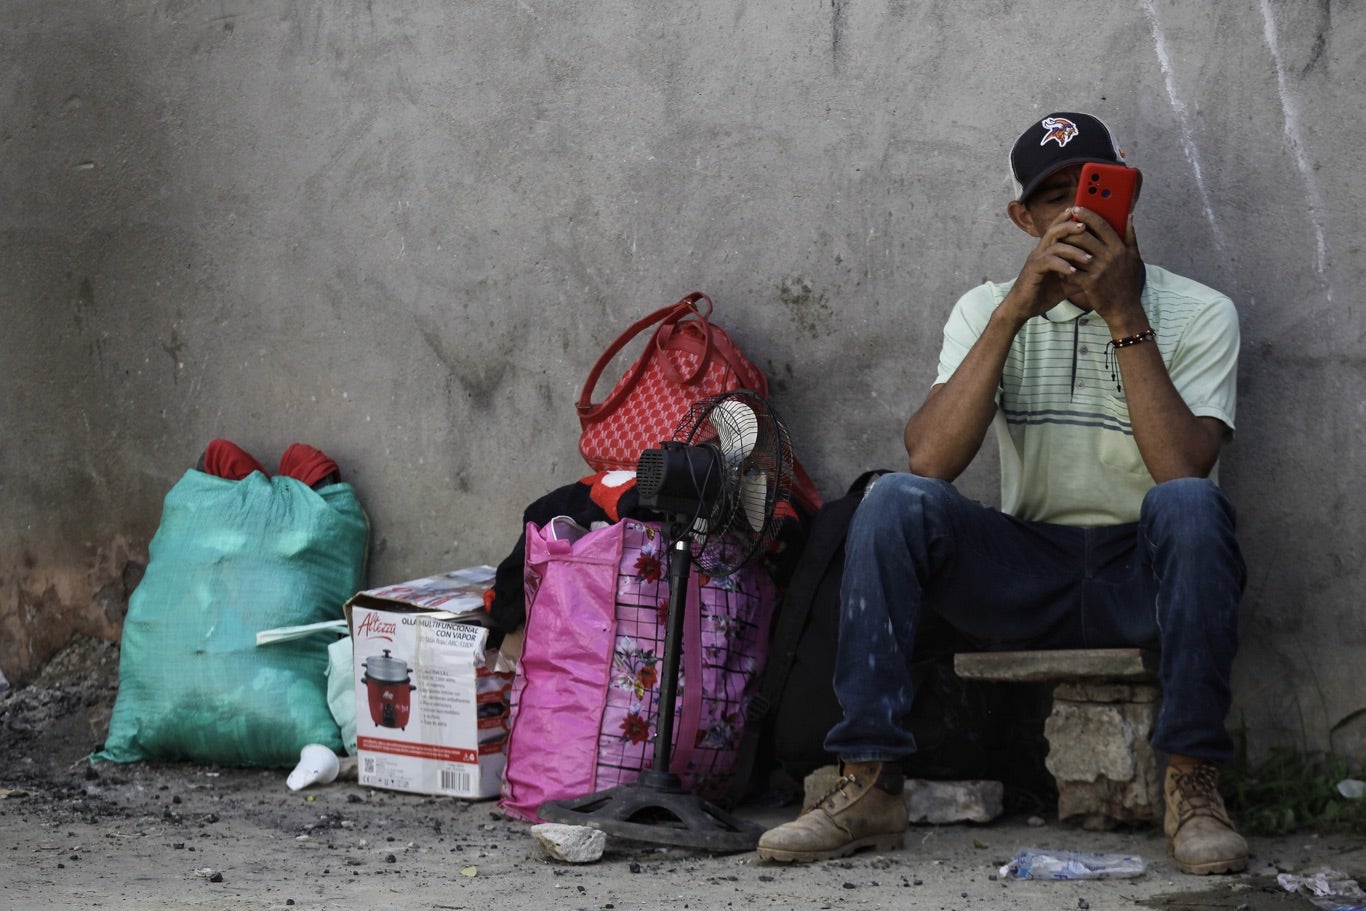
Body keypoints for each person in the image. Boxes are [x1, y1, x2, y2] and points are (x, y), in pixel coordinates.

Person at [756, 112, 1247, 875]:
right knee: (893, 497)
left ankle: (1192, 783)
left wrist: (1123, 310)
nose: (1077, 213)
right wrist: (1014, 311)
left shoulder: (1203, 311)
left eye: (1094, 189)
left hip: (1143, 572)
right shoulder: (986, 307)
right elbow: (931, 457)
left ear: (1130, 194)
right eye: (1054, 197)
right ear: (1024, 219)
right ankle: (870, 782)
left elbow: (1183, 467)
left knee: (1190, 504)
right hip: (1029, 571)